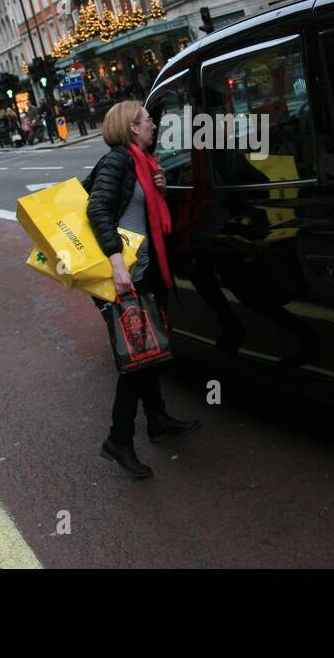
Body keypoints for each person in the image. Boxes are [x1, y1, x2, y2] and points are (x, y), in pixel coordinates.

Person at [86, 101, 200, 479]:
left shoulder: (143, 162)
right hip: (125, 276)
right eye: (148, 120)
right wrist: (117, 261)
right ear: (133, 128)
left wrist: (158, 189)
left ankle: (157, 419)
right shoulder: (117, 161)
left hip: (146, 270)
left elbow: (143, 214)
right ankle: (118, 439)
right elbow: (98, 211)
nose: (154, 125)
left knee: (150, 351)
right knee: (135, 359)